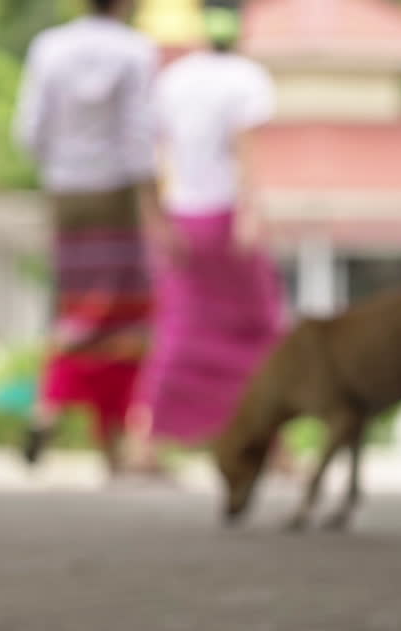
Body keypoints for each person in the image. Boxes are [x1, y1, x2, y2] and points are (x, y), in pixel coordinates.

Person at [13, 0, 179, 476]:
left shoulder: (49, 47)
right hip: (117, 193)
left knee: (78, 311)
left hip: (66, 192)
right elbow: (139, 134)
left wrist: (62, 167)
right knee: (125, 319)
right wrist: (156, 209)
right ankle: (118, 442)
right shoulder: (136, 50)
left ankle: (50, 409)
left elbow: (29, 130)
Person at [125, 0, 287, 471]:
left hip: (181, 218)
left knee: (179, 328)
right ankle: (273, 446)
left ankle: (145, 443)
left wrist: (156, 220)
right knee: (259, 328)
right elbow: (243, 149)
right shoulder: (247, 77)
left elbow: (151, 155)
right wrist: (250, 211)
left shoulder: (173, 79)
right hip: (225, 215)